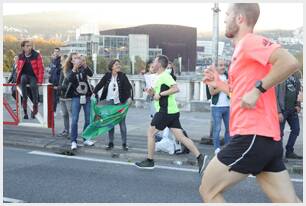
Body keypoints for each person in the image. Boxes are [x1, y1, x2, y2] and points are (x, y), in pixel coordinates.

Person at [200, 3, 301, 203]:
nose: (225, 18)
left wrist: (258, 90)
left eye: (228, 15)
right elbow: (240, 93)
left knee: (208, 190)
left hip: (252, 136)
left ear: (239, 18)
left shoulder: (249, 42)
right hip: (267, 140)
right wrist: (219, 84)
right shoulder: (240, 52)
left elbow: (290, 62)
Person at [135, 55, 207, 173]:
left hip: (165, 111)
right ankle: (200, 157)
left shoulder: (165, 75)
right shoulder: (157, 77)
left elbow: (175, 89)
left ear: (160, 64)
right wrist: (152, 93)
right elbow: (156, 95)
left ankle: (150, 161)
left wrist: (161, 94)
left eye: (155, 61)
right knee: (180, 137)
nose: (153, 63)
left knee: (150, 132)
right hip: (171, 111)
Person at [93, 59, 133, 151]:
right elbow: (99, 85)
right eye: (116, 64)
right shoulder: (107, 76)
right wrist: (93, 92)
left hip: (120, 103)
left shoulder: (123, 76)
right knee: (110, 123)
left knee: (122, 122)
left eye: (119, 64)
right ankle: (111, 142)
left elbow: (129, 88)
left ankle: (124, 143)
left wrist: (130, 98)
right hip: (109, 103)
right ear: (112, 67)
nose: (118, 66)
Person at [67, 53, 95, 150]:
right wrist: (74, 68)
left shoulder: (83, 68)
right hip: (76, 97)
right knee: (74, 119)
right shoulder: (70, 70)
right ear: (72, 61)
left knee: (88, 119)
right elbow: (69, 79)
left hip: (86, 96)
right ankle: (73, 141)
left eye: (78, 58)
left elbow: (91, 74)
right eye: (75, 58)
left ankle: (86, 138)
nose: (77, 59)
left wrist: (84, 64)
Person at [276, 72, 302, 159]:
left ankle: (289, 151)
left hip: (293, 110)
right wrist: (278, 111)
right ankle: (278, 155)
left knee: (296, 129)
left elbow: (299, 92)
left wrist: (298, 105)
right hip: (283, 110)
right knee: (280, 133)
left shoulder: (296, 76)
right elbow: (274, 96)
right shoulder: (280, 76)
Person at [16, 40, 44, 119]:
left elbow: (41, 69)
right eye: (27, 45)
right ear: (23, 47)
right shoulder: (21, 56)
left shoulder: (36, 55)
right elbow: (18, 69)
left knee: (34, 93)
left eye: (30, 45)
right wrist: (16, 80)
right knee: (23, 79)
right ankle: (25, 111)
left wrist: (40, 81)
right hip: (24, 76)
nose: (29, 47)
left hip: (33, 76)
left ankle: (34, 110)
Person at [207, 59, 230, 154]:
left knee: (229, 129)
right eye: (220, 65)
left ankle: (228, 147)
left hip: (228, 106)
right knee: (217, 129)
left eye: (224, 65)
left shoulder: (227, 76)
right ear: (216, 67)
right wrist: (223, 84)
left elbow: (231, 91)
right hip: (216, 107)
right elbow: (212, 92)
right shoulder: (212, 77)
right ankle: (217, 148)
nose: (223, 67)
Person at [57, 53, 74, 138]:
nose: (60, 62)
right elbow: (60, 81)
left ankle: (72, 132)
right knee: (64, 114)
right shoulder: (63, 70)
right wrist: (60, 89)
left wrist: (62, 87)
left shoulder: (73, 70)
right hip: (62, 95)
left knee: (71, 114)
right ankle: (66, 130)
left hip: (69, 96)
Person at [48, 47, 62, 116]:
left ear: (59, 52)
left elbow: (59, 71)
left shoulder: (60, 61)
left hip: (59, 81)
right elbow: (51, 71)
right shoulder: (52, 60)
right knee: (54, 97)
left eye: (57, 51)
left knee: (59, 96)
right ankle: (54, 110)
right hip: (52, 81)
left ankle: (57, 110)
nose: (56, 53)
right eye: (55, 51)